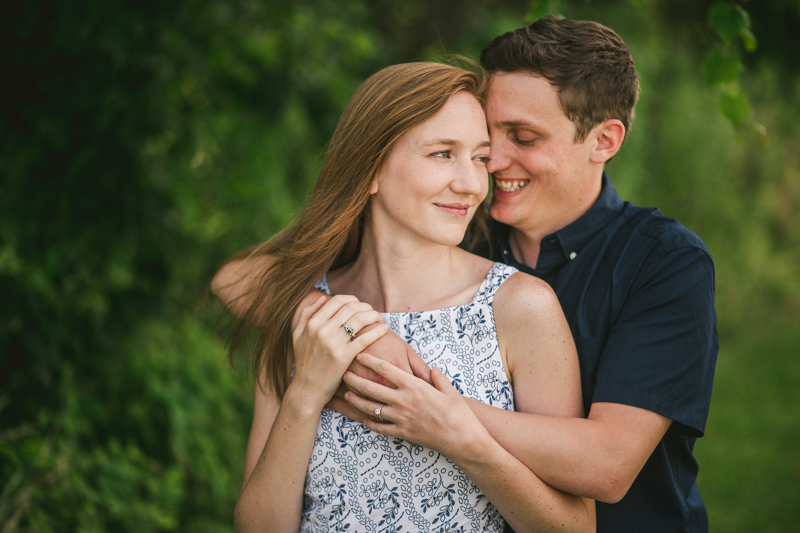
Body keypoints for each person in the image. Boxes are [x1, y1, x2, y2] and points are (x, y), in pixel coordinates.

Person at [338, 16, 718, 533]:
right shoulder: (452, 230)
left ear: (604, 140)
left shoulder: (664, 262)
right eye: (488, 134)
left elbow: (606, 466)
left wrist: (437, 413)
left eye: (522, 136)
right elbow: (248, 277)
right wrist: (333, 312)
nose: (491, 161)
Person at [213, 62, 595, 532]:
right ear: (369, 170)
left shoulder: (519, 307)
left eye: (479, 157)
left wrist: (463, 441)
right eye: (441, 154)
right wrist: (305, 394)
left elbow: (576, 528)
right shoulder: (308, 312)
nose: (472, 184)